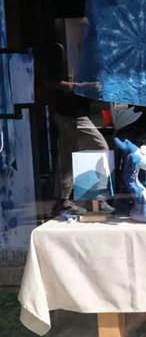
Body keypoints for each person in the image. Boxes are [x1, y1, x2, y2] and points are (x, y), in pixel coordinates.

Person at [42, 44, 113, 215]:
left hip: (73, 113)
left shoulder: (83, 61)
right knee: (98, 147)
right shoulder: (58, 57)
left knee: (69, 156)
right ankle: (93, 198)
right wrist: (82, 85)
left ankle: (66, 201)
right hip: (71, 114)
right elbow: (50, 84)